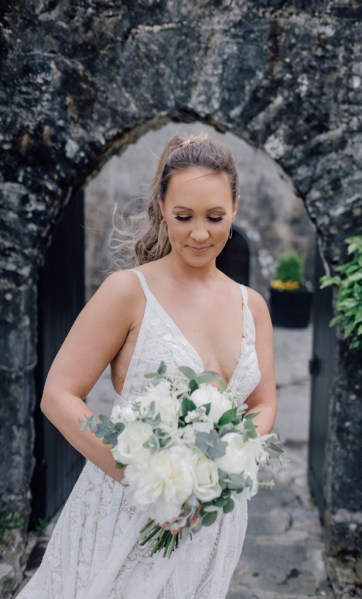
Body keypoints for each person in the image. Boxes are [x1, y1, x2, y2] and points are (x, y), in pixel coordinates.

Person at [18, 134, 277, 599]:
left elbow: (262, 401)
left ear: (235, 207)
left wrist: (224, 472)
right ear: (160, 206)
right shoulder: (127, 292)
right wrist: (150, 480)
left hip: (212, 523)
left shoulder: (251, 306)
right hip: (126, 511)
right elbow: (58, 394)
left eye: (215, 217)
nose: (200, 233)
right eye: (184, 217)